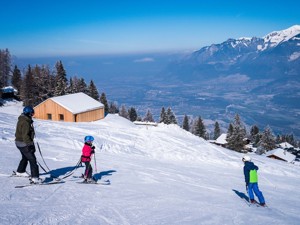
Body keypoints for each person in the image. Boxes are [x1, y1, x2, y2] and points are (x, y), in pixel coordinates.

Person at [15, 106, 42, 184]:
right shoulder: (26, 122)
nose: (33, 114)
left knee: (25, 157)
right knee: (33, 160)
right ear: (28, 113)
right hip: (24, 144)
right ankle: (35, 178)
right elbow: (25, 135)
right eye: (32, 113)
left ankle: (20, 171)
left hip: (19, 143)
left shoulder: (23, 119)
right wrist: (30, 144)